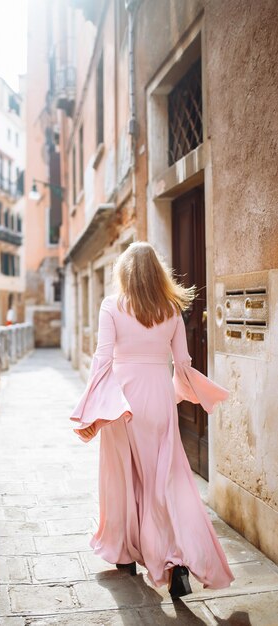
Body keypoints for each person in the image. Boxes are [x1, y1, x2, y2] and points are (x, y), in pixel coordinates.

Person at [70, 242, 234, 600]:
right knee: (166, 482)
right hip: (158, 401)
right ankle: (176, 562)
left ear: (124, 273)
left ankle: (124, 553)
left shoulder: (111, 305)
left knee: (121, 479)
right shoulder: (171, 310)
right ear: (158, 272)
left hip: (120, 403)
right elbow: (183, 364)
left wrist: (89, 408)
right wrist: (194, 393)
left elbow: (102, 360)